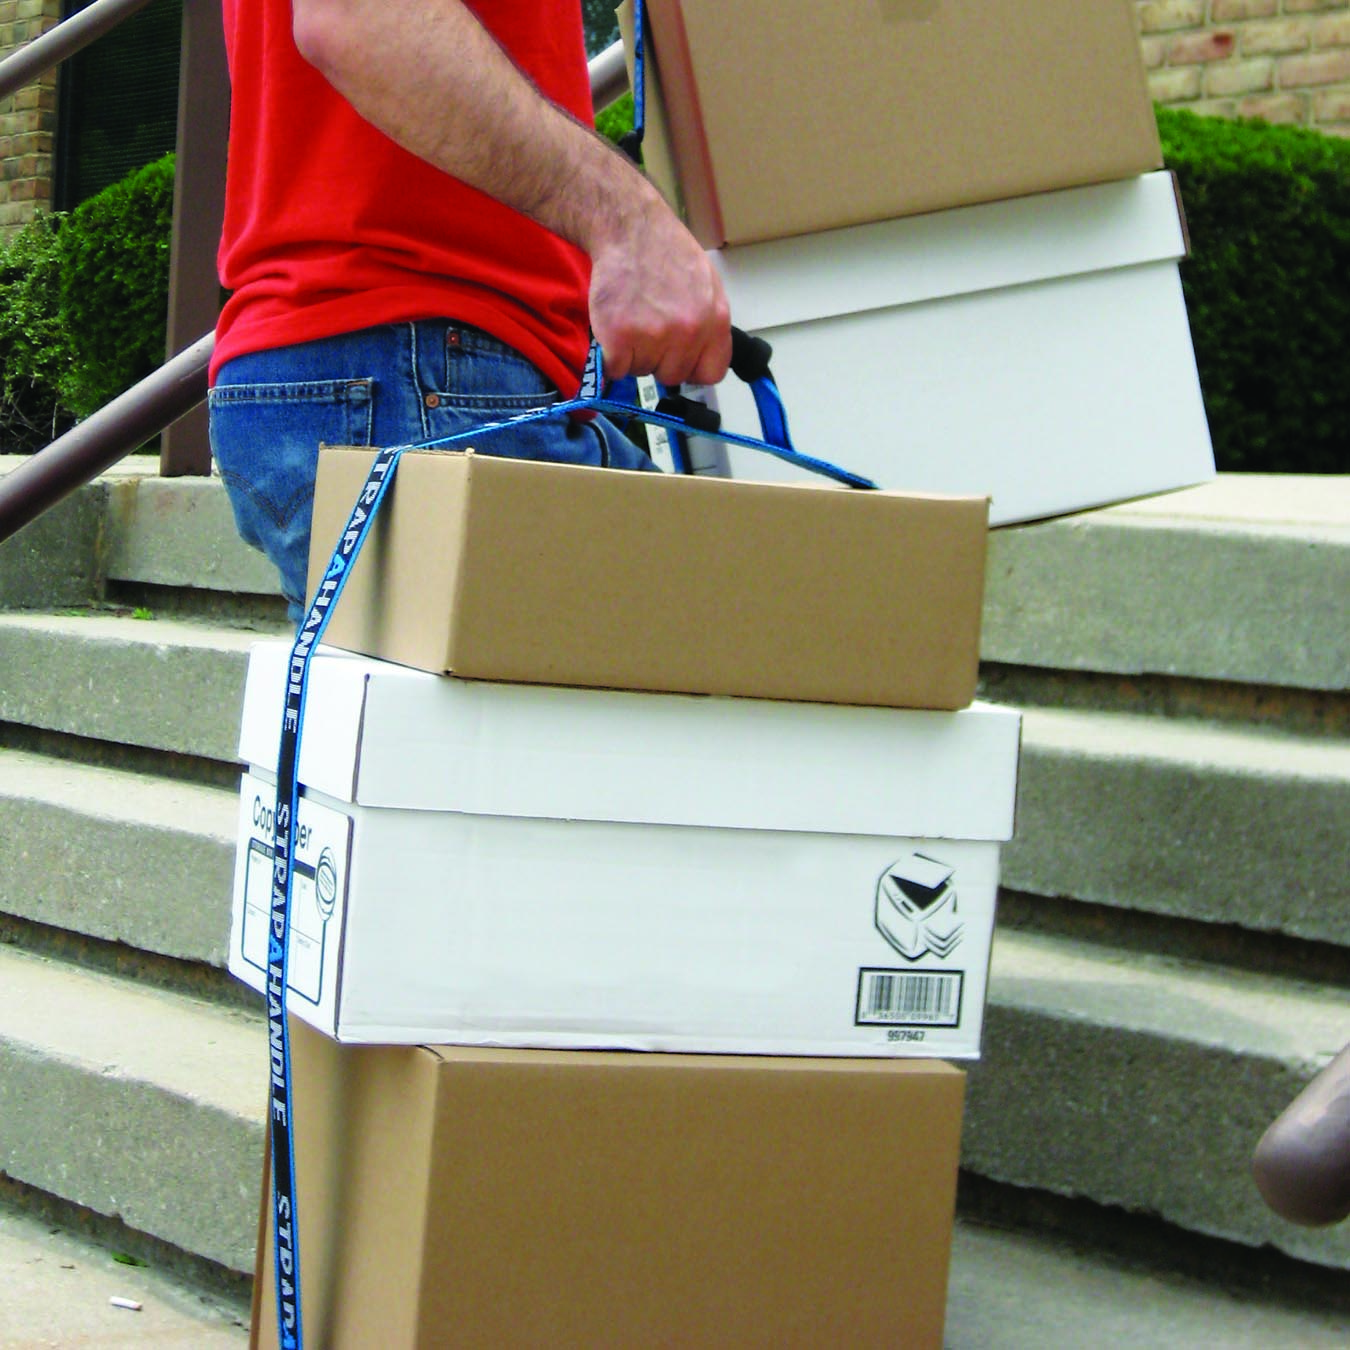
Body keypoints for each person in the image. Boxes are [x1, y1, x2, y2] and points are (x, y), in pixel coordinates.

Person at [209, 0, 731, 622]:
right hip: (422, 365)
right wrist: (629, 221)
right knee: (735, 630)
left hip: (376, 360)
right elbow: (358, 16)